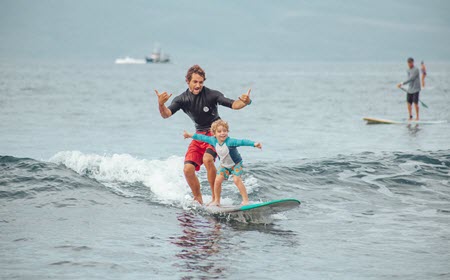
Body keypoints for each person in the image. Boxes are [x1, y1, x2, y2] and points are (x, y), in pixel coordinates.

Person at [155, 65, 252, 205]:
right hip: (199, 135)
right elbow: (166, 114)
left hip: (215, 135)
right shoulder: (181, 99)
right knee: (188, 169)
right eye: (195, 82)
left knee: (207, 159)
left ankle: (215, 199)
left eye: (201, 82)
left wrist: (246, 102)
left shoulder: (211, 95)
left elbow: (234, 104)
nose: (198, 85)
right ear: (188, 81)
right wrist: (161, 104)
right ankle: (198, 199)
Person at [183, 119, 262, 206]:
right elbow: (201, 137)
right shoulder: (213, 141)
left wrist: (254, 144)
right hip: (225, 166)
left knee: (236, 180)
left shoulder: (231, 142)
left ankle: (245, 200)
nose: (222, 133)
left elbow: (242, 141)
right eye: (219, 131)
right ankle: (217, 201)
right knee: (217, 181)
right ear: (214, 133)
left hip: (236, 165)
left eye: (224, 131)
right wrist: (189, 135)